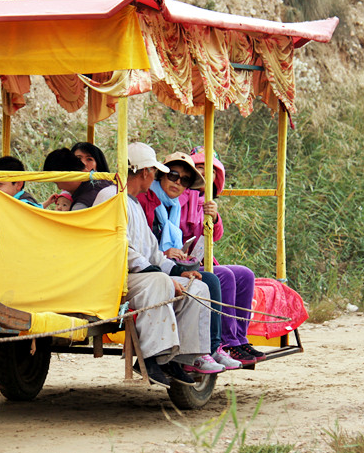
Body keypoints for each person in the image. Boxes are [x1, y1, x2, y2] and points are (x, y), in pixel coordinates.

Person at [94, 142, 212, 388]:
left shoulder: (134, 203)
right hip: (114, 277)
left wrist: (178, 271)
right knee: (158, 282)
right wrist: (162, 276)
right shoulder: (111, 197)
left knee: (197, 288)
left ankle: (175, 359)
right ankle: (150, 357)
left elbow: (152, 252)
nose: (156, 176)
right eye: (155, 171)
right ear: (146, 171)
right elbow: (118, 248)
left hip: (138, 276)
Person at [136, 151, 237, 373]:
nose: (178, 183)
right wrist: (166, 254)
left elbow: (211, 235)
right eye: (173, 176)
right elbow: (142, 244)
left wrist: (214, 219)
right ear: (160, 175)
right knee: (210, 280)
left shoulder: (173, 205)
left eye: (185, 180)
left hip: (169, 262)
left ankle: (218, 346)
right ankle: (206, 349)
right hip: (147, 268)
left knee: (217, 277)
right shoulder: (146, 200)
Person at [184, 146, 265, 365]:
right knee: (224, 276)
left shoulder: (205, 200)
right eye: (199, 167)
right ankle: (227, 341)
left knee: (245, 274)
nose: (203, 173)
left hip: (201, 259)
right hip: (184, 262)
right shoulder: (181, 196)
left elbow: (216, 236)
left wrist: (214, 217)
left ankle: (239, 338)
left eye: (209, 170)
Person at [42, 148, 111, 210]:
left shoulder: (80, 206)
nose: (59, 188)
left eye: (57, 183)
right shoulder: (105, 179)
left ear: (65, 176)